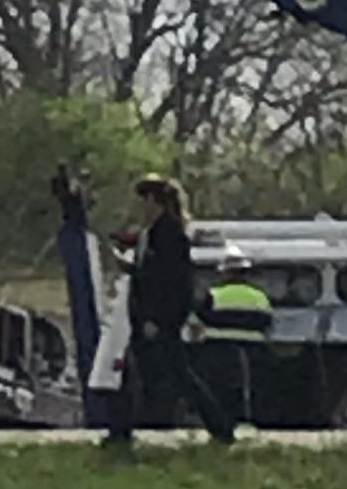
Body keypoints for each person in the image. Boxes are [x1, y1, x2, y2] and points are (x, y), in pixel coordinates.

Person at [102, 175, 234, 450]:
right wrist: (128, 267)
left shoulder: (169, 235)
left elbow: (171, 281)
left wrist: (157, 319)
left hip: (158, 320)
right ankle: (120, 430)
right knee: (140, 373)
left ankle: (219, 426)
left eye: (144, 201)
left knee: (175, 375)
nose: (141, 208)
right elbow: (148, 273)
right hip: (145, 319)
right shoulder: (151, 233)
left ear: (154, 201)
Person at [198, 247, 274, 430]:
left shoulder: (214, 295)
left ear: (224, 273)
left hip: (218, 347)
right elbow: (267, 321)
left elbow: (202, 316)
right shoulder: (259, 296)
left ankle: (222, 424)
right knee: (250, 388)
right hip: (253, 349)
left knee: (219, 389)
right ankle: (247, 423)